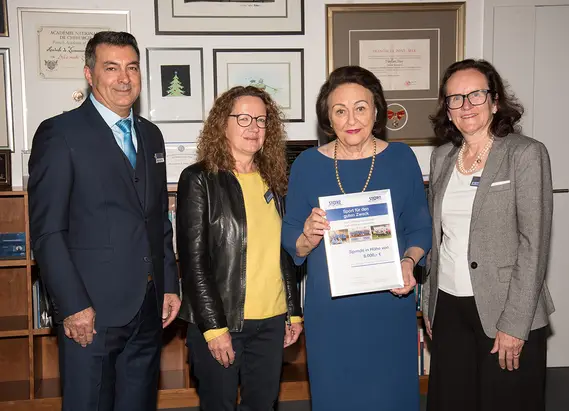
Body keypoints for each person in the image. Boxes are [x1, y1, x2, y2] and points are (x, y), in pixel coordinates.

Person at [28, 31, 181, 411]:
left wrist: (169, 285)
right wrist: (73, 305)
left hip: (147, 308)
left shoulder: (151, 135)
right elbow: (47, 232)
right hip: (90, 313)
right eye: (111, 68)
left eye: (131, 67)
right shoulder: (59, 134)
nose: (124, 78)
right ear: (89, 74)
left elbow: (158, 218)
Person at [281, 66, 432, 411]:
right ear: (328, 118)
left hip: (388, 305)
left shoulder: (401, 158)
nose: (351, 119)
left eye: (360, 107)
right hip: (331, 311)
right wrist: (307, 235)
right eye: (340, 110)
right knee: (336, 397)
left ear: (377, 111)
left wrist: (409, 261)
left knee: (390, 397)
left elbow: (420, 227)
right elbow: (291, 237)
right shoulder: (306, 164)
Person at [423, 59, 555, 411]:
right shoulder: (442, 158)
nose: (466, 105)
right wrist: (429, 304)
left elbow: (534, 246)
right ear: (447, 110)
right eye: (455, 98)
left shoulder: (525, 154)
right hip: (449, 304)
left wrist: (515, 323)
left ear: (495, 102)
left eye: (475, 95)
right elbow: (437, 239)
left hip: (505, 308)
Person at [176, 85, 303, 411]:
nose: (253, 128)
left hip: (272, 322)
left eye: (261, 120)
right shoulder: (199, 179)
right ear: (222, 123)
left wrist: (294, 311)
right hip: (223, 322)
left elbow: (284, 252)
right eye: (243, 118)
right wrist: (214, 328)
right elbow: (193, 263)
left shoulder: (275, 179)